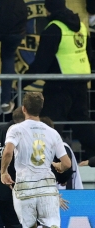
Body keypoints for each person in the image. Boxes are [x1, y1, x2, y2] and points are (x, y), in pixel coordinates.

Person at [0, 92, 72, 228]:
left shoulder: (16, 129)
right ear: (40, 109)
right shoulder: (51, 132)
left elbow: (7, 151)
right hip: (47, 186)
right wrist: (56, 165)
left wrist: (3, 171)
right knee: (49, 227)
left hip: (24, 187)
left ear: (23, 109)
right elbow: (67, 163)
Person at [21, 0, 95, 157]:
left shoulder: (53, 29)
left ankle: (47, 159)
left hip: (59, 85)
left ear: (48, 10)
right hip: (81, 81)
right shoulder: (81, 25)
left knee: (50, 123)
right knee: (81, 122)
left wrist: (23, 81)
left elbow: (42, 62)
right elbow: (89, 55)